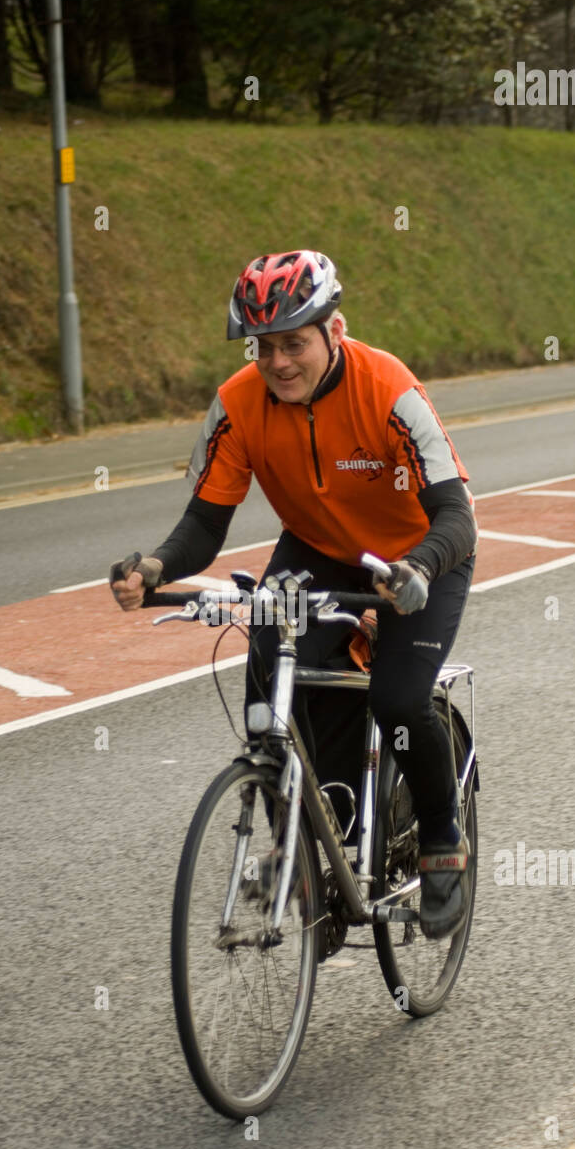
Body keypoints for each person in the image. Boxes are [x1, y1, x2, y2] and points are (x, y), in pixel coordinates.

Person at [111, 250, 477, 939]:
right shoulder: (238, 402)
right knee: (267, 701)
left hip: (417, 555)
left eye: (294, 343)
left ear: (333, 331)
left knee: (397, 699)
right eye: (265, 347)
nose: (277, 363)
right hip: (315, 552)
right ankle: (307, 856)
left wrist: (417, 568)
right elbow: (204, 522)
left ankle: (440, 840)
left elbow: (457, 514)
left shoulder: (387, 387)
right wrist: (157, 567)